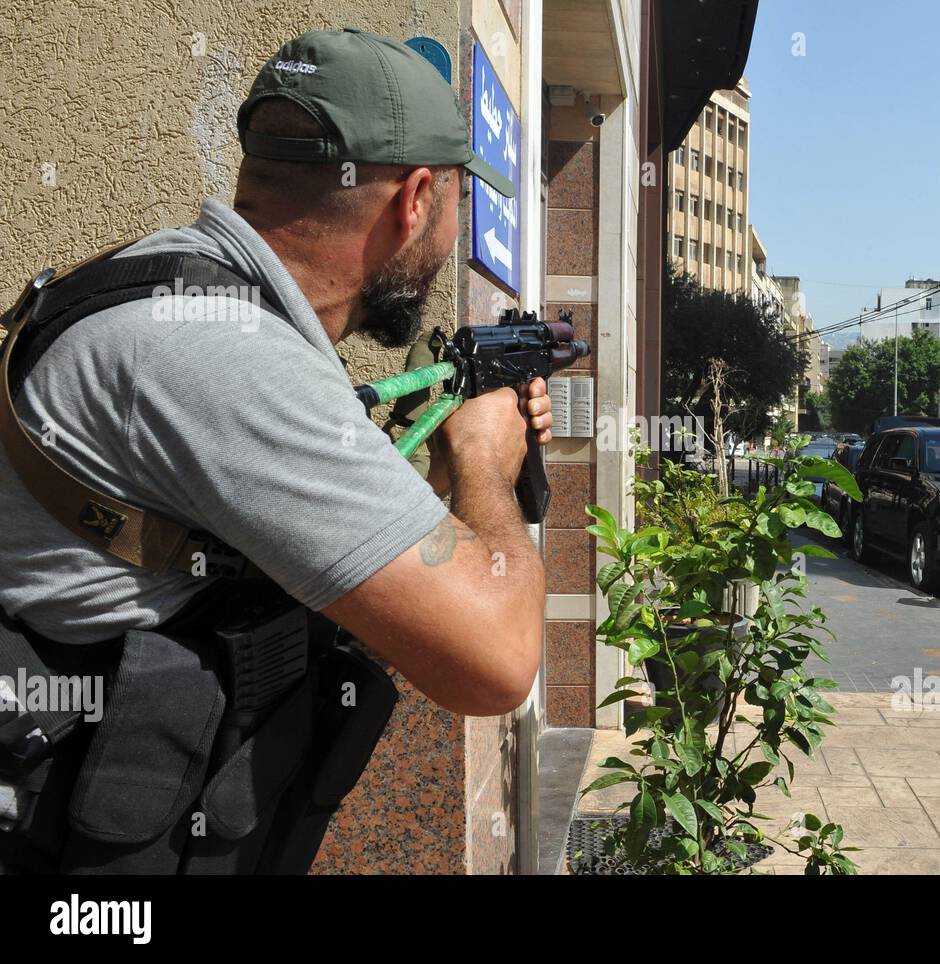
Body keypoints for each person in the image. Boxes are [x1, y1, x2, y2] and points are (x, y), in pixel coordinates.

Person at [0, 30, 550, 872]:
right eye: (454, 207)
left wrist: (445, 474)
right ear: (414, 201)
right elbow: (498, 663)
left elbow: (348, 564)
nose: (447, 238)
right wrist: (485, 461)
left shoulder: (172, 288)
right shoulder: (230, 362)